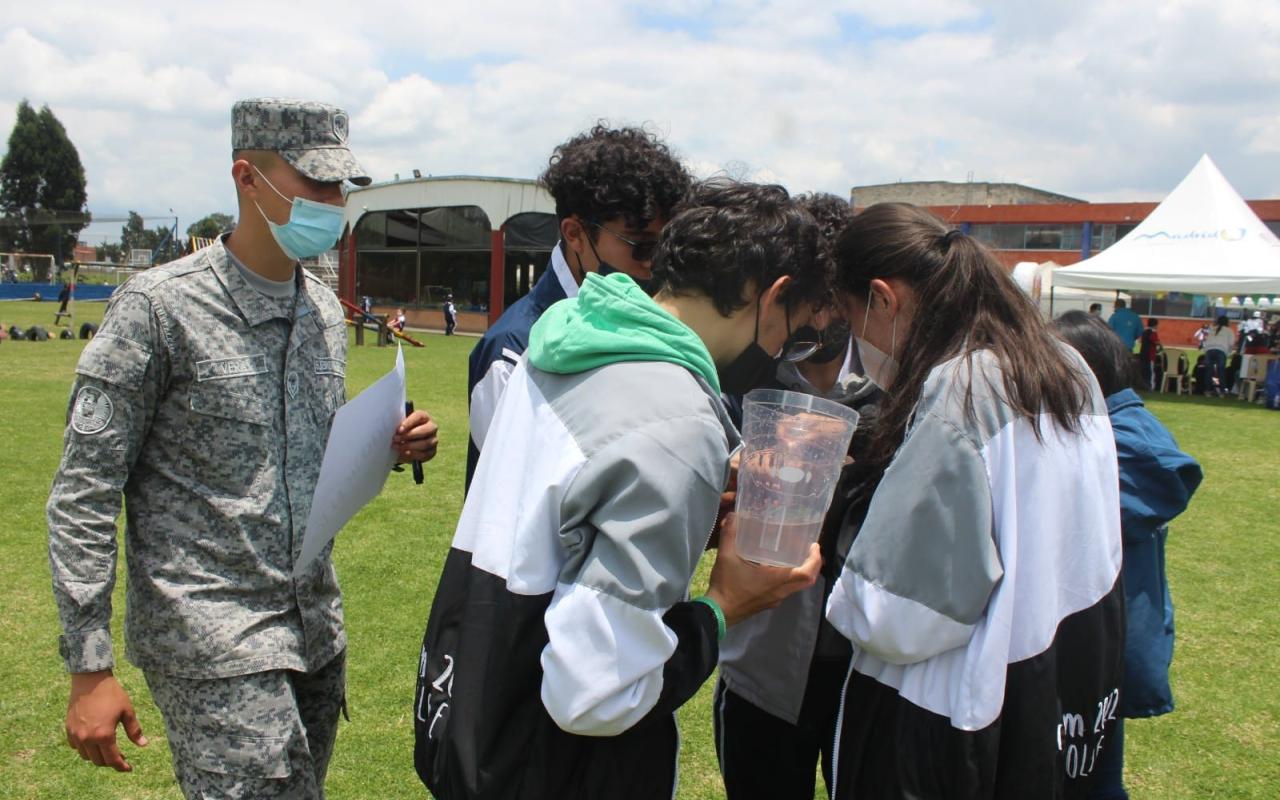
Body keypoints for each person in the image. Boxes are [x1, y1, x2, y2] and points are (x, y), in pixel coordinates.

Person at [48, 98, 440, 799]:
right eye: (315, 184)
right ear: (247, 179)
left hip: (313, 628)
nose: (333, 203)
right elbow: (84, 491)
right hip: (211, 634)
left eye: (340, 188)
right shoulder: (158, 309)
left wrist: (391, 441)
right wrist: (88, 663)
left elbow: (310, 453)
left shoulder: (321, 309)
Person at [414, 181, 830, 800]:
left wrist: (691, 497)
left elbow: (562, 514)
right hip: (553, 768)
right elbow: (594, 695)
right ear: (775, 296)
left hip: (473, 715)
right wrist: (724, 608)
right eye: (795, 334)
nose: (782, 352)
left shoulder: (571, 336)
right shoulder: (678, 422)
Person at [823, 203, 1124, 799]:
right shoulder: (1065, 367)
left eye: (852, 321)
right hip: (1065, 683)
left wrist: (839, 566)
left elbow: (897, 615)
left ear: (883, 299)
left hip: (955, 723)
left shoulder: (962, 388)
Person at [713, 191, 880, 800]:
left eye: (829, 300)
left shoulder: (895, 381)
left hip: (862, 665)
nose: (813, 319)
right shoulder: (744, 377)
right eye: (803, 300)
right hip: (764, 659)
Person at [464, 124, 691, 492]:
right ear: (575, 233)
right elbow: (517, 495)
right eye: (641, 246)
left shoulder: (644, 324)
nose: (653, 265)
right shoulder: (512, 349)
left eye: (663, 249)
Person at [1052, 311, 1202, 800]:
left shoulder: (1119, 439)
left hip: (1098, 638)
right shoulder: (1119, 427)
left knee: (1085, 771)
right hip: (1101, 635)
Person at [1201, 316, 1234, 396]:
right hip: (1221, 350)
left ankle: (1208, 391)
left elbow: (1206, 340)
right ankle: (1222, 392)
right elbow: (1231, 343)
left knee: (1209, 371)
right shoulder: (1229, 330)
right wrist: (1228, 353)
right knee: (1221, 371)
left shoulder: (1212, 329)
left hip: (1209, 350)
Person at [1139, 317, 1161, 390]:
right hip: (1150, 355)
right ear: (1155, 325)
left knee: (1143, 371)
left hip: (1143, 354)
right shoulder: (1153, 333)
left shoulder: (1144, 332)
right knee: (1151, 372)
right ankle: (1151, 387)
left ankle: (1143, 385)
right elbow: (1156, 343)